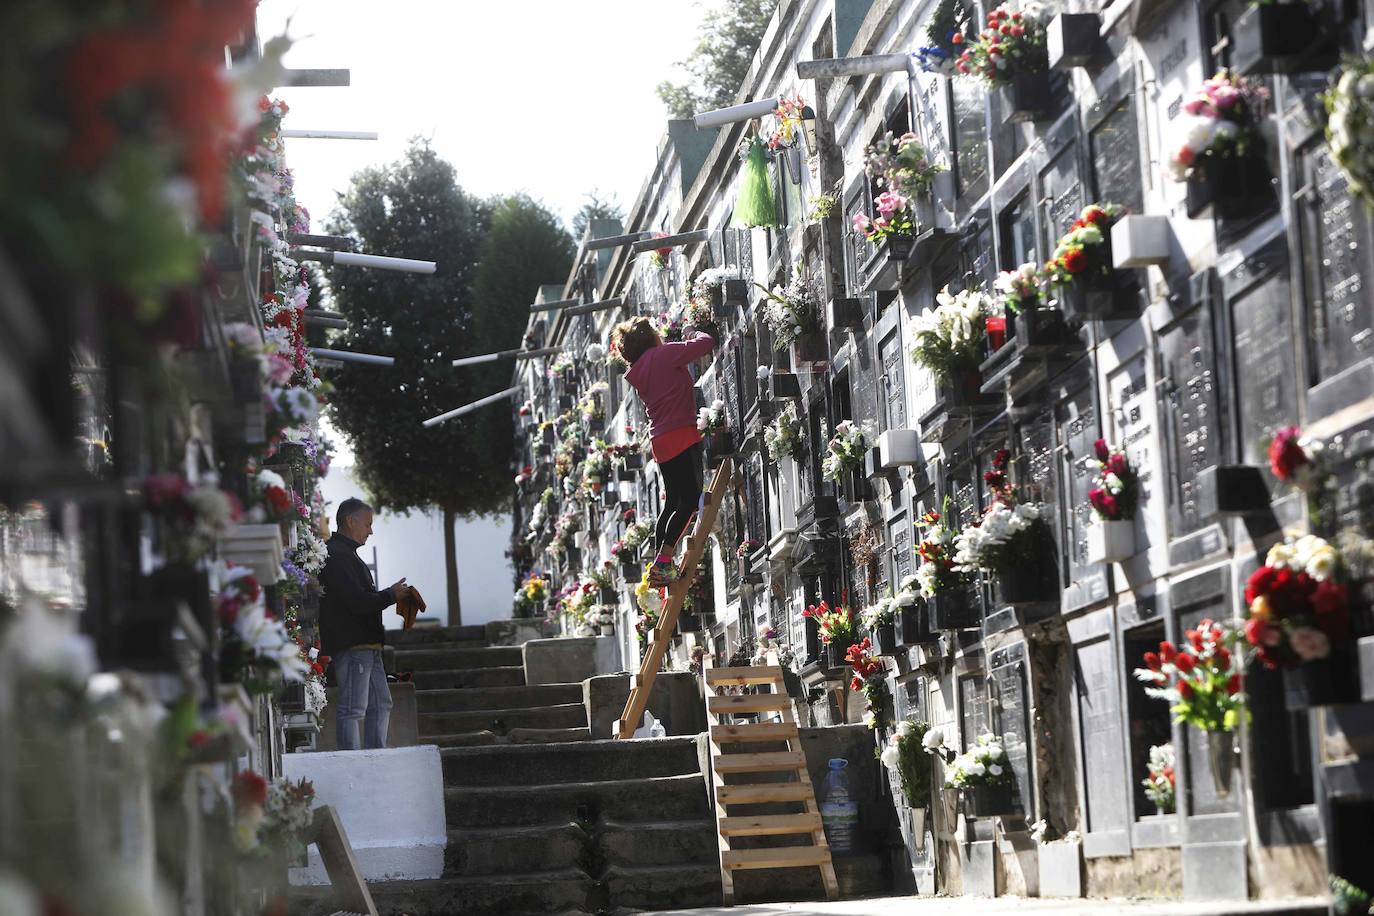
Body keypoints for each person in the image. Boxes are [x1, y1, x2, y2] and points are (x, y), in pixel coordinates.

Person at [613, 316, 715, 588]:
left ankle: (661, 562)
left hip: (660, 440)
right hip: (681, 433)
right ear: (651, 338)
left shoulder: (640, 370)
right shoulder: (664, 355)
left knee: (672, 502)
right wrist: (693, 331)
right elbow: (706, 344)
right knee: (691, 500)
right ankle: (664, 560)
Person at [319, 497, 408, 750]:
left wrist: (392, 596)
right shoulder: (336, 555)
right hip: (353, 646)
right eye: (368, 524)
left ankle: (375, 758)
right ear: (350, 521)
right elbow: (356, 602)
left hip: (367, 646)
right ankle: (354, 761)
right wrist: (390, 595)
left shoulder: (346, 554)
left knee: (382, 704)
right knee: (353, 709)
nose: (371, 530)